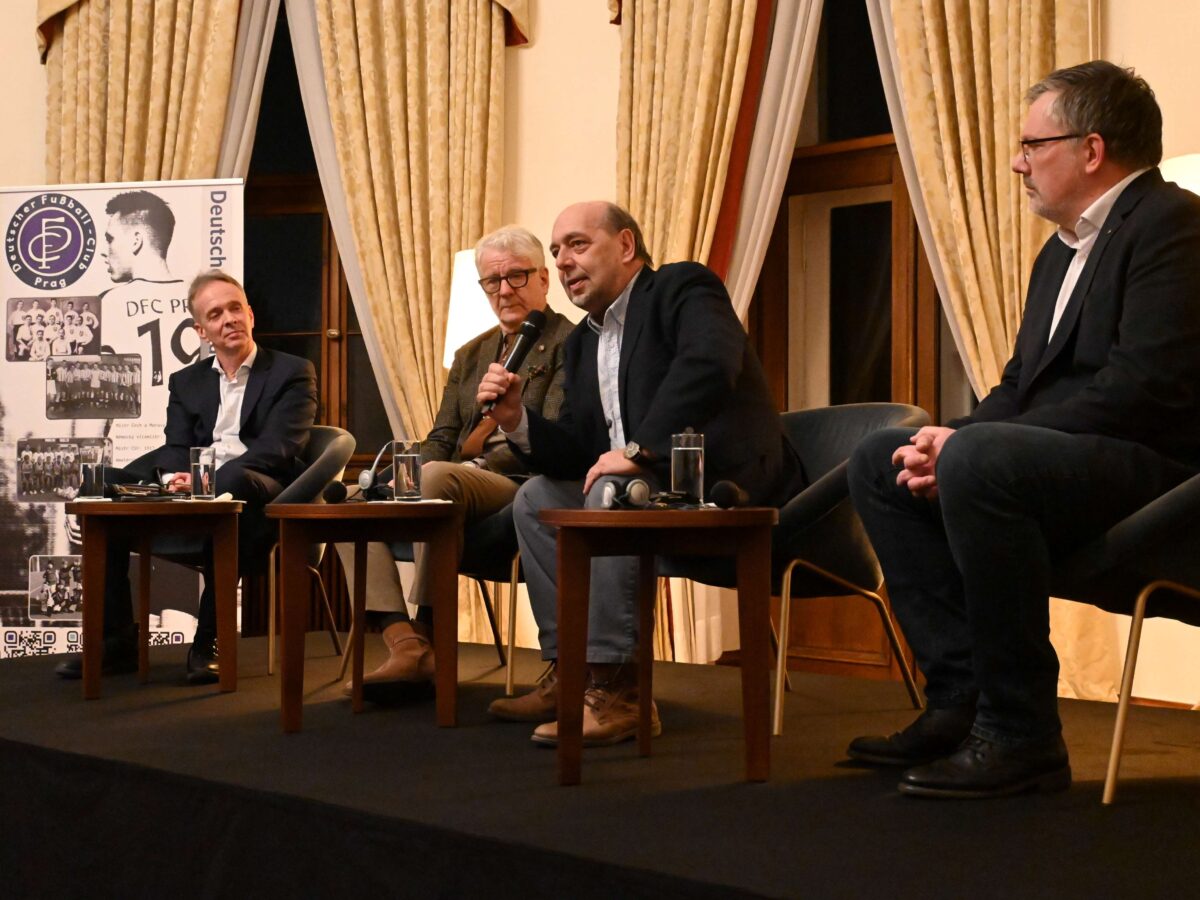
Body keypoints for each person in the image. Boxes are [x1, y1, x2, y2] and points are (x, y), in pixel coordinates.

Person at [845, 61, 1200, 799]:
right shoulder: (1059, 252)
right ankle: (960, 699)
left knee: (979, 457)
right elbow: (1018, 386)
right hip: (1064, 462)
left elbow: (1145, 388)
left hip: (1158, 475)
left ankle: (1021, 732)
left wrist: (973, 447)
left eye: (1032, 144)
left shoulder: (1174, 225)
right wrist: (947, 439)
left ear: (1092, 149)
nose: (1018, 162)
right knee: (882, 459)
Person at [480, 201, 806, 746]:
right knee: (536, 497)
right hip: (641, 490)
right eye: (556, 251)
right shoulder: (582, 342)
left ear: (626, 245)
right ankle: (572, 671)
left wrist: (639, 450)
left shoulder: (682, 288)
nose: (563, 261)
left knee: (613, 490)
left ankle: (622, 690)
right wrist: (516, 420)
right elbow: (580, 451)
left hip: (722, 482)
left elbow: (709, 366)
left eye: (577, 244)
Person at [335, 225, 574, 696]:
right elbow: (442, 436)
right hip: (450, 479)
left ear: (544, 279)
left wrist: (444, 473)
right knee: (347, 503)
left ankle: (427, 626)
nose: (504, 290)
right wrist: (401, 478)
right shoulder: (471, 353)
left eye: (517, 276)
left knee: (437, 479)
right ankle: (405, 642)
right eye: (492, 281)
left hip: (517, 480)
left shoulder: (569, 342)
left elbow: (552, 432)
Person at [55, 270, 318, 685]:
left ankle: (210, 639)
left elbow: (279, 447)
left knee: (235, 480)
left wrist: (205, 483)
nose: (229, 319)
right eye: (215, 314)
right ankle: (115, 639)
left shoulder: (292, 371)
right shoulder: (187, 382)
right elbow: (177, 447)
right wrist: (172, 478)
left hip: (262, 493)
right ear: (201, 331)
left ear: (250, 315)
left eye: (235, 308)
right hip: (199, 489)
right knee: (99, 483)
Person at [100, 190, 178, 285]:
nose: (103, 252)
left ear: (136, 241)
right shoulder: (191, 292)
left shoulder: (112, 295)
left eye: (110, 239)